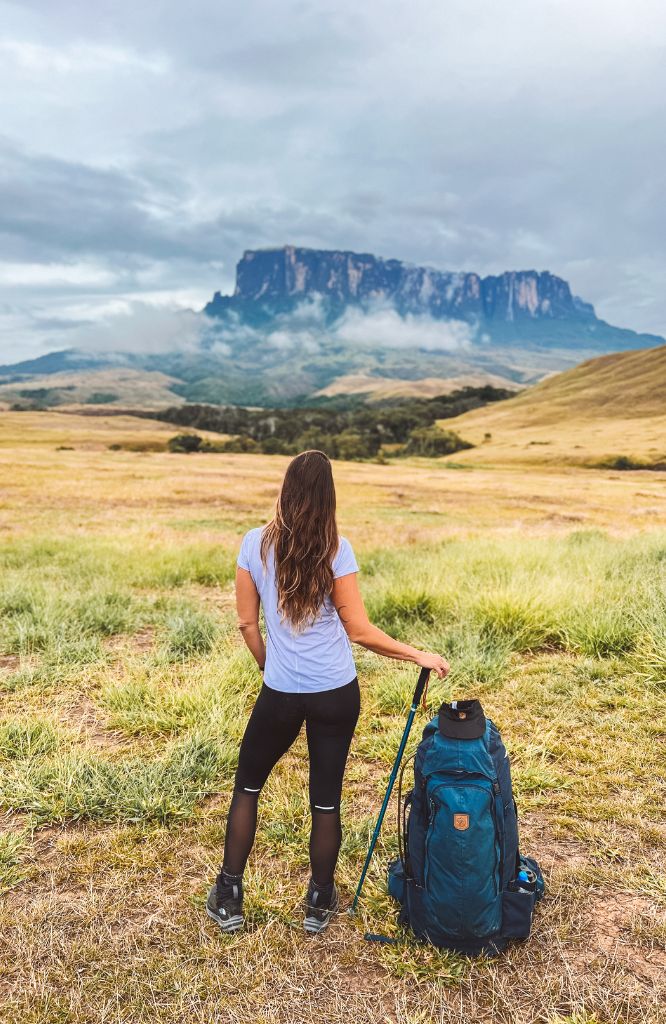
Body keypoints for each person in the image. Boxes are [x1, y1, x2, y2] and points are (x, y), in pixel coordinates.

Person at [206, 450, 449, 935]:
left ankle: (229, 895)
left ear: (286, 490)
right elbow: (359, 630)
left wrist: (268, 665)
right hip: (335, 692)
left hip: (280, 691)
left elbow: (246, 624)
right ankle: (319, 901)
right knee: (326, 799)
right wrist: (416, 654)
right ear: (328, 496)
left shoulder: (253, 544)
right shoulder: (338, 549)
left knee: (248, 786)